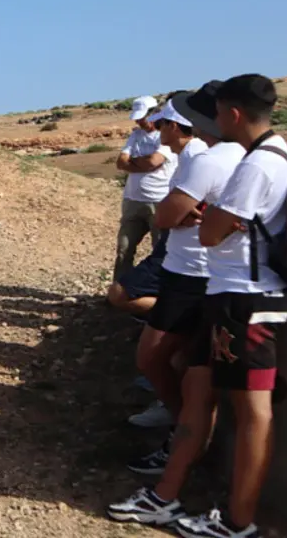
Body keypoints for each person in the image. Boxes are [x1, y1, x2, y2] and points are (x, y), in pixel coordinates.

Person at [106, 81, 249, 527]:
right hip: (192, 275)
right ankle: (183, 459)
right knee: (185, 373)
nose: (165, 127)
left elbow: (170, 215)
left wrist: (190, 211)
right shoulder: (241, 156)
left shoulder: (210, 159)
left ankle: (186, 477)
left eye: (171, 120)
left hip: (201, 279)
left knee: (170, 366)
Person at [175, 74, 287, 538]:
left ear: (233, 114)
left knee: (252, 413)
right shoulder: (281, 154)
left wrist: (218, 217)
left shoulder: (255, 166)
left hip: (245, 298)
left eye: (218, 113)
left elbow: (209, 233)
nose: (214, 121)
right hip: (259, 294)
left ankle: (239, 522)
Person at [114, 96, 178, 282]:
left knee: (160, 250)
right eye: (138, 118)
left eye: (143, 117)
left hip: (159, 200)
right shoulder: (135, 135)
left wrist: (134, 163)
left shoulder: (165, 137)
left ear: (155, 113)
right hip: (133, 199)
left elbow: (154, 161)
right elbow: (120, 162)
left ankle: (158, 292)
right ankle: (119, 290)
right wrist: (143, 164)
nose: (140, 122)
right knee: (123, 249)